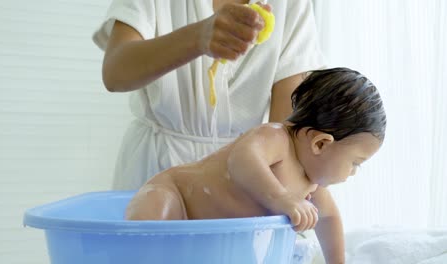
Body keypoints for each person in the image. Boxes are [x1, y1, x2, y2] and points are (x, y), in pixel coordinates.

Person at [125, 68, 387, 264]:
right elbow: (241, 161)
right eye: (355, 163)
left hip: (201, 241)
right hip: (176, 196)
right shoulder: (275, 138)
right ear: (320, 144)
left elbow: (329, 218)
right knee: (149, 238)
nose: (353, 172)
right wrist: (282, 198)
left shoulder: (310, 183)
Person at [92, 0, 326, 190]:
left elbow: (286, 131)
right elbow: (115, 71)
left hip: (244, 177)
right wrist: (197, 37)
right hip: (154, 169)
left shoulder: (293, 5)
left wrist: (288, 196)